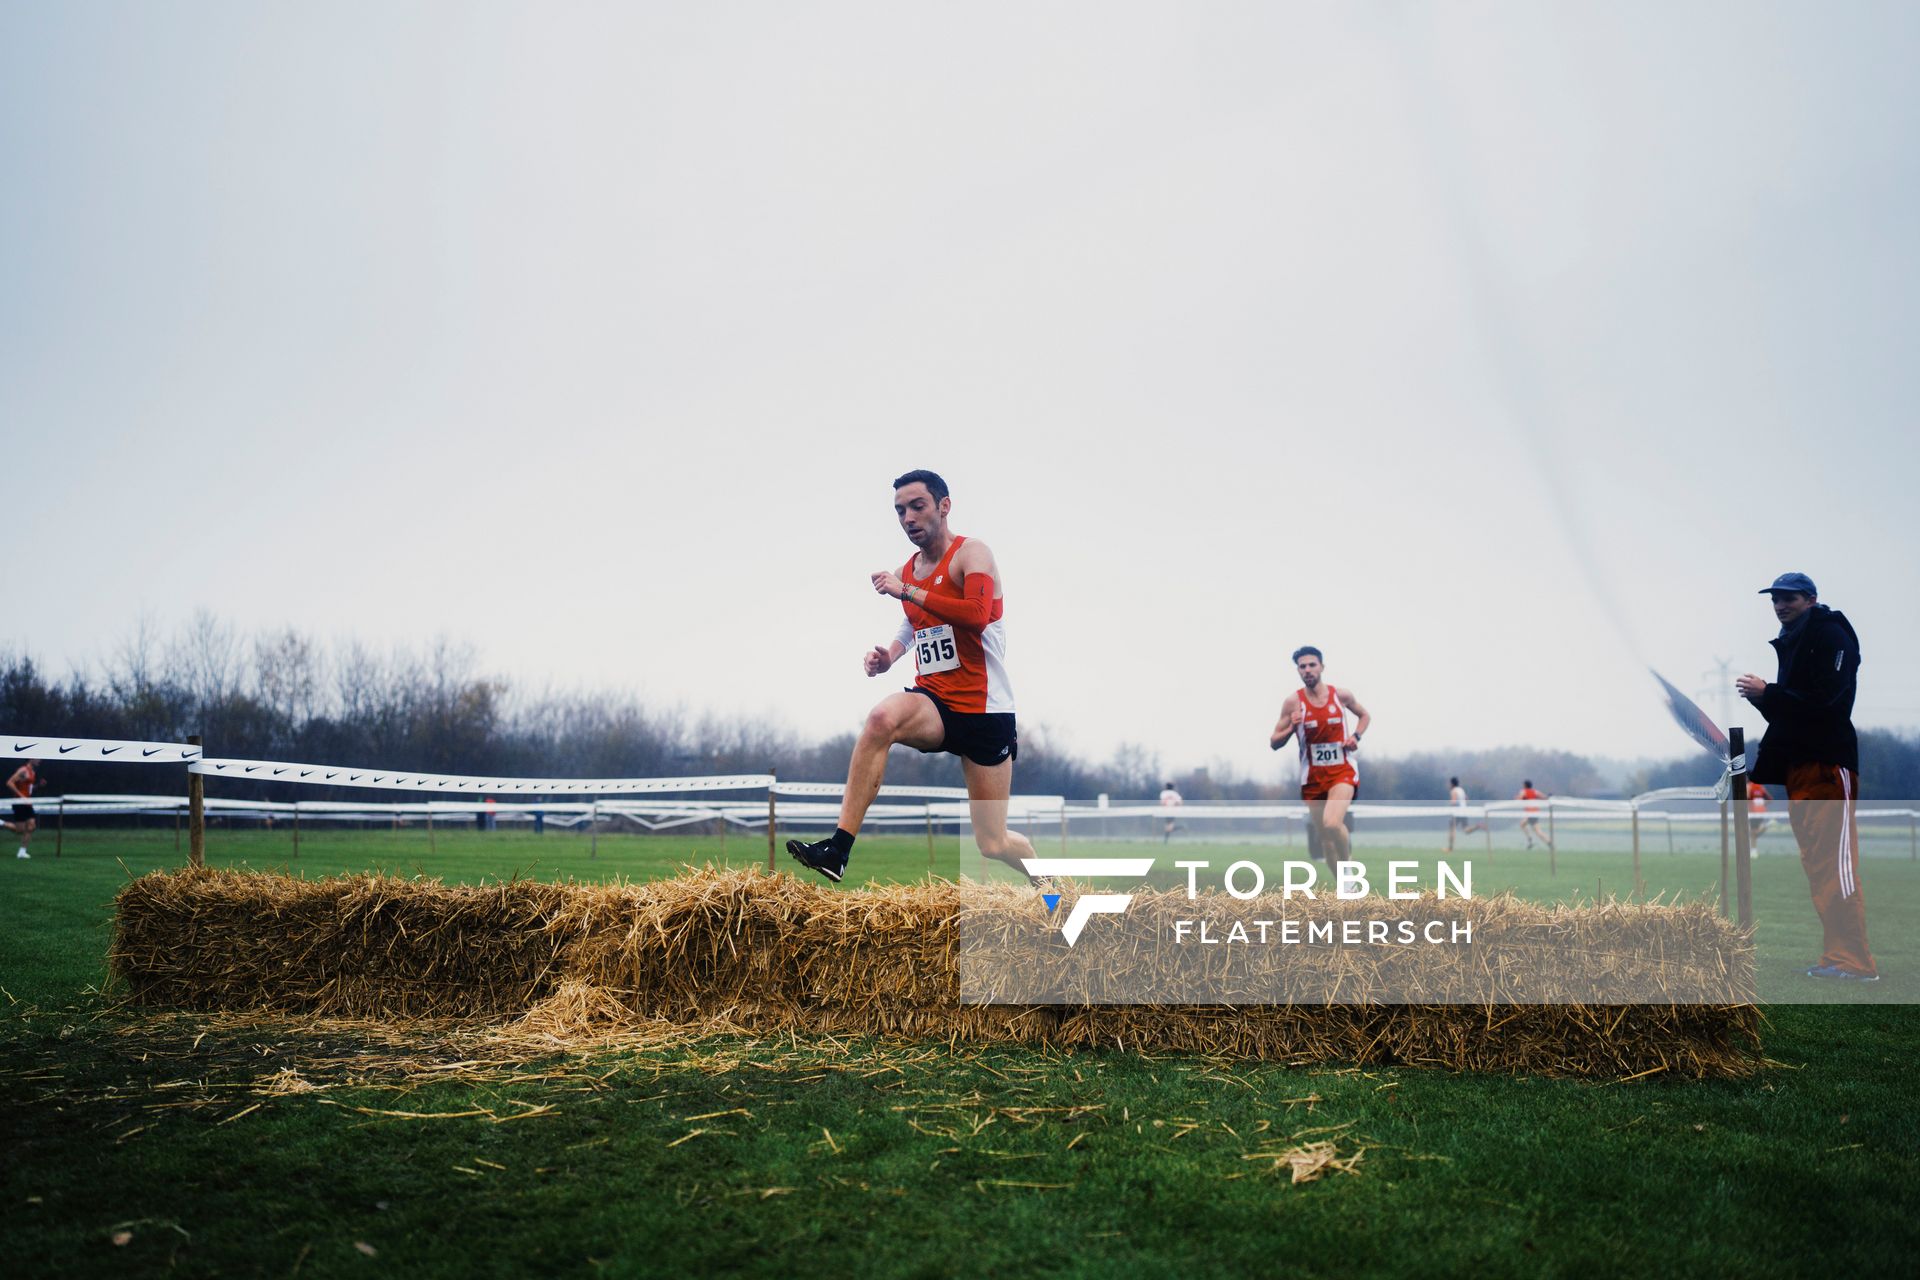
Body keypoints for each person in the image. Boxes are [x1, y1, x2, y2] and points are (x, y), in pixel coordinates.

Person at [788, 470, 1036, 884]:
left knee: (992, 844)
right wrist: (892, 655)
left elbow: (975, 616)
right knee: (882, 719)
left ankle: (1044, 878)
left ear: (944, 506)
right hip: (935, 701)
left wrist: (906, 591)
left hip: (985, 711)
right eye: (900, 511)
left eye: (917, 507)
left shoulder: (972, 554)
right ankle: (838, 849)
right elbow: (915, 623)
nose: (908, 518)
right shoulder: (910, 569)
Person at [1737, 572, 1876, 981]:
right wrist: (1766, 700)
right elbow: (1794, 711)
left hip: (1828, 766)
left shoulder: (1832, 635)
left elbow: (1828, 702)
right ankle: (1835, 958)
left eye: (1789, 598)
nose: (1780, 605)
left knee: (1836, 867)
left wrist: (1772, 693)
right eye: (1775, 599)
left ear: (1811, 599)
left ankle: (1858, 963)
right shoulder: (1796, 642)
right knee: (1818, 868)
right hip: (1800, 768)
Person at [1269, 647, 1370, 871]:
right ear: (1298, 670)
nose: (1307, 670)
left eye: (1312, 665)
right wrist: (1292, 728)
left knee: (1333, 824)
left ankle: (1348, 873)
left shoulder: (1340, 695)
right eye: (1302, 666)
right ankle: (1345, 890)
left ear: (1322, 667)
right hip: (1313, 778)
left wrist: (1356, 736)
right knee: (1325, 840)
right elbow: (1274, 741)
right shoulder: (1293, 703)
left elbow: (1364, 715)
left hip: (1342, 771)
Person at [5, 758, 42, 859]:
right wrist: (21, 796)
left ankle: (22, 852)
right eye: (38, 758)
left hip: (27, 803)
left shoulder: (32, 772)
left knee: (31, 826)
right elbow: (9, 782)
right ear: (31, 758)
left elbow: (29, 789)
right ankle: (1, 823)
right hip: (19, 802)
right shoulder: (23, 770)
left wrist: (38, 786)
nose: (40, 760)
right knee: (19, 830)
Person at [1445, 777, 1486, 852]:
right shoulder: (1461, 790)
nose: (1448, 785)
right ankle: (1478, 826)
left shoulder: (1454, 791)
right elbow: (1467, 799)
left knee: (1452, 828)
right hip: (1464, 811)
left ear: (1452, 784)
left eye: (1449, 783)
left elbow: (1453, 802)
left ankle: (1450, 848)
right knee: (1466, 830)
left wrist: (1450, 807)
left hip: (1457, 812)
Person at [1516, 779, 1553, 852]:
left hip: (1530, 813)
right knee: (1534, 830)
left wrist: (1519, 798)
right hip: (1535, 813)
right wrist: (1548, 796)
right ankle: (1548, 842)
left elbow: (1519, 799)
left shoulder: (1523, 791)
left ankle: (1531, 840)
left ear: (1525, 785)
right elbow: (1544, 797)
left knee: (1535, 830)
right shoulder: (1535, 791)